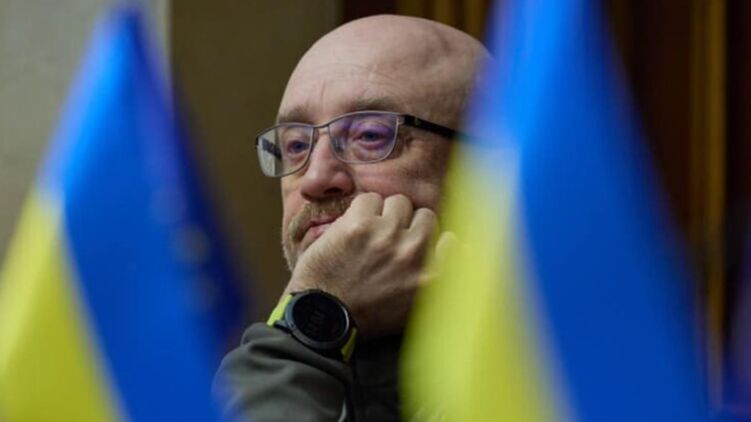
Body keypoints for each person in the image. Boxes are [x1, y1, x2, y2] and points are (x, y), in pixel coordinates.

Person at [214, 14, 489, 421]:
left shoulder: (557, 377)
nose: (315, 179)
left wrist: (310, 328)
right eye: (296, 145)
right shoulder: (241, 370)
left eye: (370, 136)